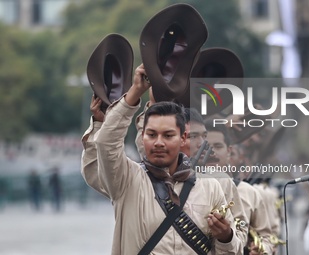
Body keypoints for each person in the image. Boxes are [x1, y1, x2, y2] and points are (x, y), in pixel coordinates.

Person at [91, 64, 243, 254]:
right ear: (142, 136)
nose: (159, 143)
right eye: (152, 135)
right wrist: (135, 91)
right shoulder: (127, 180)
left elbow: (233, 251)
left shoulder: (211, 186)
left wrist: (226, 237)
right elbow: (106, 143)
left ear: (183, 138)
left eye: (168, 135)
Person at [204, 120, 274, 255]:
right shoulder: (187, 188)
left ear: (229, 150)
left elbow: (267, 238)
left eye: (218, 146)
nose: (211, 152)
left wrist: (262, 249)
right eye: (205, 147)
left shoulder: (249, 193)